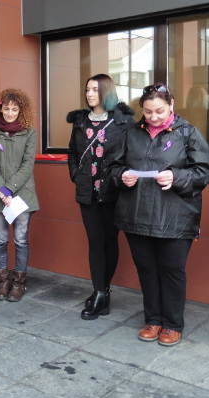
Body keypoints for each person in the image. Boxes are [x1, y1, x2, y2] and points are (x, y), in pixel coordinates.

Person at [111, 83, 209, 347]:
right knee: (146, 269)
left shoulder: (188, 133)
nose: (153, 117)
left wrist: (177, 176)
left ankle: (172, 324)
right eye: (148, 112)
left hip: (175, 216)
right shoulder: (131, 133)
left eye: (159, 111)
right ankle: (153, 319)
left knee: (171, 270)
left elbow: (204, 172)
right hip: (136, 213)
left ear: (172, 105)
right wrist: (122, 176)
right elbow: (112, 167)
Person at [67, 74, 135, 319]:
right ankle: (99, 292)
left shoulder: (122, 122)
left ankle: (103, 292)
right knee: (95, 243)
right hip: (88, 193)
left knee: (110, 242)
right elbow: (73, 153)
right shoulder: (80, 121)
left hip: (113, 192)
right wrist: (76, 174)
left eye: (95, 89)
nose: (89, 94)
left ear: (106, 91)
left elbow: (130, 154)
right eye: (87, 89)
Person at [0, 89, 39, 303]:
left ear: (21, 110)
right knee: (0, 240)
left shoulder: (29, 133)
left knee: (21, 240)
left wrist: (9, 189)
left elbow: (27, 164)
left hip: (22, 196)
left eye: (14, 109)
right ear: (0, 108)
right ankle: (2, 281)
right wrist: (1, 189)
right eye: (6, 108)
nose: (9, 113)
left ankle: (18, 283)